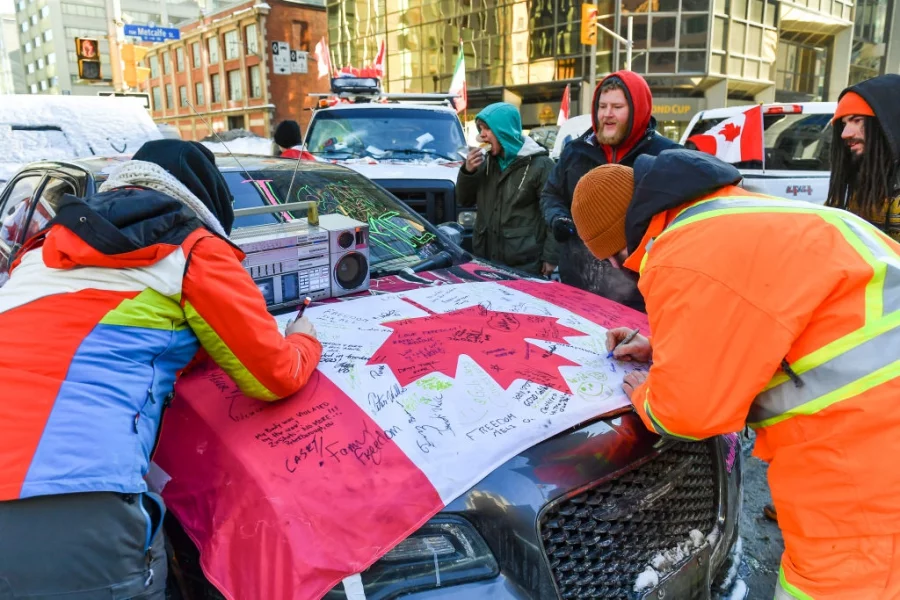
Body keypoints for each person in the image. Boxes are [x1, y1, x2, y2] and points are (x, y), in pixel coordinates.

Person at [569, 148, 900, 599]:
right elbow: (761, 313)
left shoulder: (676, 253)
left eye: (611, 258)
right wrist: (664, 346)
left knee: (835, 584)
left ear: (617, 243)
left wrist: (645, 395)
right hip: (875, 422)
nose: (619, 269)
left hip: (866, 451)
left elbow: (688, 411)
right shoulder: (726, 213)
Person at [0, 140, 323, 598]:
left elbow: (105, 335)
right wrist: (305, 336)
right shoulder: (194, 248)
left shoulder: (44, 249)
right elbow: (274, 375)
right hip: (71, 495)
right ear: (209, 205)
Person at [540, 71, 679, 309]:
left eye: (617, 106)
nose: (607, 114)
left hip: (636, 295)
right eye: (602, 106)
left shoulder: (666, 157)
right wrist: (558, 218)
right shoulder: (576, 151)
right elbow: (550, 194)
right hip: (577, 283)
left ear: (638, 109)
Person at [457, 102, 557, 277]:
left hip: (525, 264)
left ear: (504, 131)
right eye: (480, 129)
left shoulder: (541, 165)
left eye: (487, 129)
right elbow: (464, 200)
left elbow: (553, 214)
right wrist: (468, 172)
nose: (482, 136)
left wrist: (551, 256)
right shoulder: (485, 162)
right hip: (486, 261)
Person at [826, 74, 900, 241]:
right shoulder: (857, 180)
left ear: (890, 125)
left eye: (857, 120)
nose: (845, 134)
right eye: (844, 124)